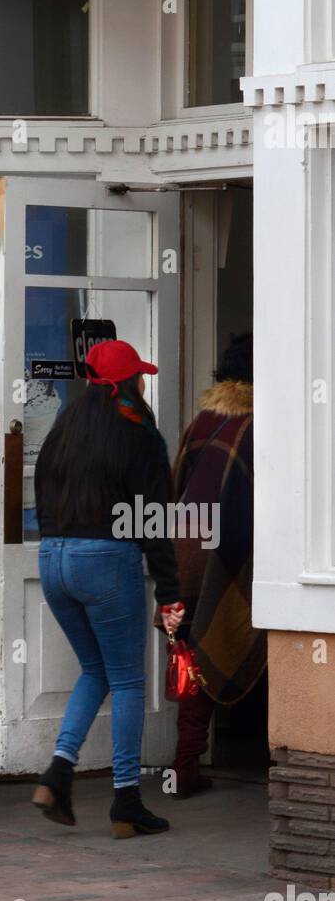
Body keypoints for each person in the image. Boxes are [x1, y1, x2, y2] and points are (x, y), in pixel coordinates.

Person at [32, 340, 185, 839]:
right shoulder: (139, 436)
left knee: (94, 669)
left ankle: (57, 772)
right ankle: (126, 801)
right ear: (128, 383)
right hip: (105, 560)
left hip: (53, 559)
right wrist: (170, 593)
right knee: (126, 680)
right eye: (140, 376)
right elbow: (155, 520)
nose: (144, 383)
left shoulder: (62, 431)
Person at [168, 332, 262, 797]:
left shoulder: (200, 422)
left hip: (187, 549)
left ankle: (184, 766)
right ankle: (262, 753)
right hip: (236, 552)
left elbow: (177, 485)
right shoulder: (262, 425)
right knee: (241, 636)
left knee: (191, 652)